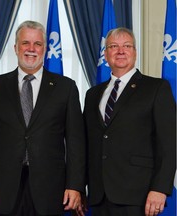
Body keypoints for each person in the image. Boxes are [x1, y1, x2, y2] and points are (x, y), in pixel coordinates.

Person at [0, 20, 86, 216]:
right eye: (25, 43)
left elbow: (76, 141)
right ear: (16, 47)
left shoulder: (65, 88)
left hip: (50, 189)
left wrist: (75, 185)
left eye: (38, 44)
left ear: (45, 48)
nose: (31, 49)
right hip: (2, 189)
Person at [84, 27, 176, 216]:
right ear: (106, 53)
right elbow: (87, 143)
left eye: (127, 46)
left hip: (139, 195)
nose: (120, 51)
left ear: (134, 52)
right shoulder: (92, 94)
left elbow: (169, 143)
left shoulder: (156, 88)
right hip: (98, 195)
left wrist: (160, 188)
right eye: (113, 46)